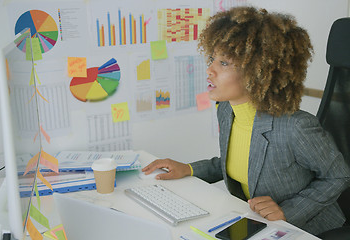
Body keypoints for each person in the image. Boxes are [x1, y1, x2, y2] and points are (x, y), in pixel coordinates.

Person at [142, 6, 350, 236]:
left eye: (223, 63)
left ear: (256, 72)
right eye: (212, 59)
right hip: (257, 225)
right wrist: (189, 169)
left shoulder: (296, 127)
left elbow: (338, 175)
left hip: (309, 230)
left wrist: (287, 212)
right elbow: (235, 162)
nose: (209, 70)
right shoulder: (226, 110)